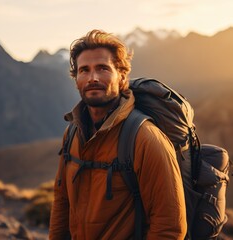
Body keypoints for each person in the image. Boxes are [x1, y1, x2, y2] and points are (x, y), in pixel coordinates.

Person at [49, 29, 187, 239]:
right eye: (84, 70)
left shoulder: (145, 138)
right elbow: (62, 201)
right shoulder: (72, 133)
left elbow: (169, 227)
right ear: (76, 78)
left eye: (102, 68)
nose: (92, 78)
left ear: (122, 75)